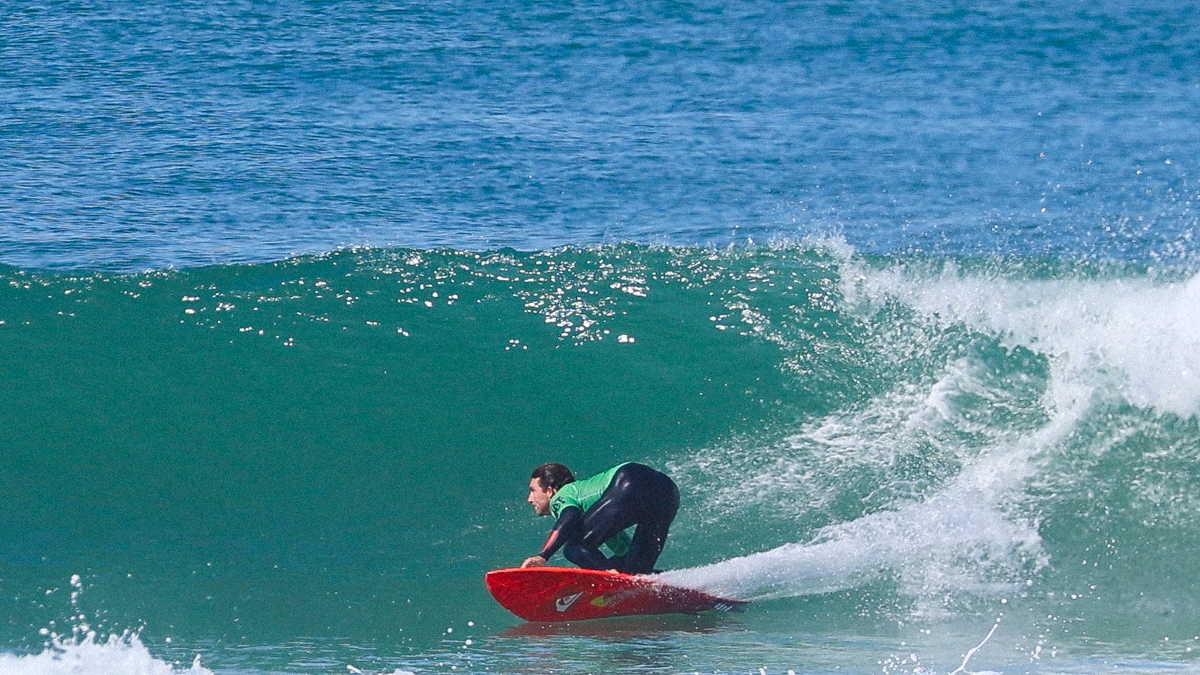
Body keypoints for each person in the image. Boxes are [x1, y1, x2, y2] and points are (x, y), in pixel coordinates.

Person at [521, 461, 679, 574]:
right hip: (668, 492)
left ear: (550, 491)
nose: (529, 498)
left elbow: (570, 516)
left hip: (630, 479)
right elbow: (626, 549)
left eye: (533, 490)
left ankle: (612, 580)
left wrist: (543, 555)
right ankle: (676, 583)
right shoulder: (602, 513)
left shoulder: (563, 494)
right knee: (636, 570)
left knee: (574, 546)